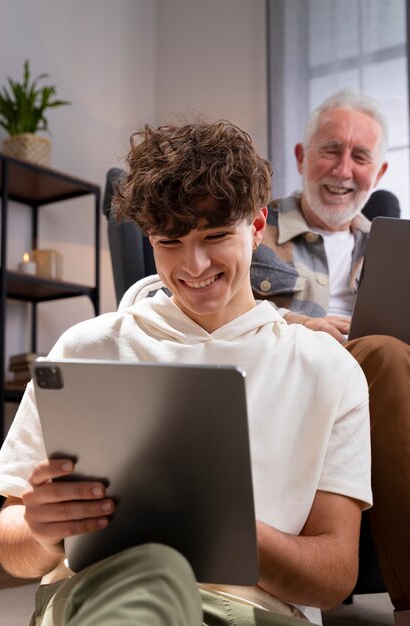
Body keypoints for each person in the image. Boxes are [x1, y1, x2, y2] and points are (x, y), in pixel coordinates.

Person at [0, 121, 372, 626]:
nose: (193, 265)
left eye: (215, 236)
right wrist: (40, 532)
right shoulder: (87, 349)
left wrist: (232, 533)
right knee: (147, 576)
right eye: (170, 242)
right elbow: (11, 544)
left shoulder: (327, 369)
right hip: (100, 598)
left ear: (257, 228)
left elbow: (335, 576)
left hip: (250, 612)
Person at [251, 89, 410, 625]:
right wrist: (298, 324)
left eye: (360, 157)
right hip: (297, 387)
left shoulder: (396, 246)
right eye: (330, 150)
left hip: (384, 398)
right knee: (386, 355)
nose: (343, 169)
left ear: (380, 170)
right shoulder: (253, 226)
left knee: (391, 356)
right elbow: (204, 305)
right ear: (300, 156)